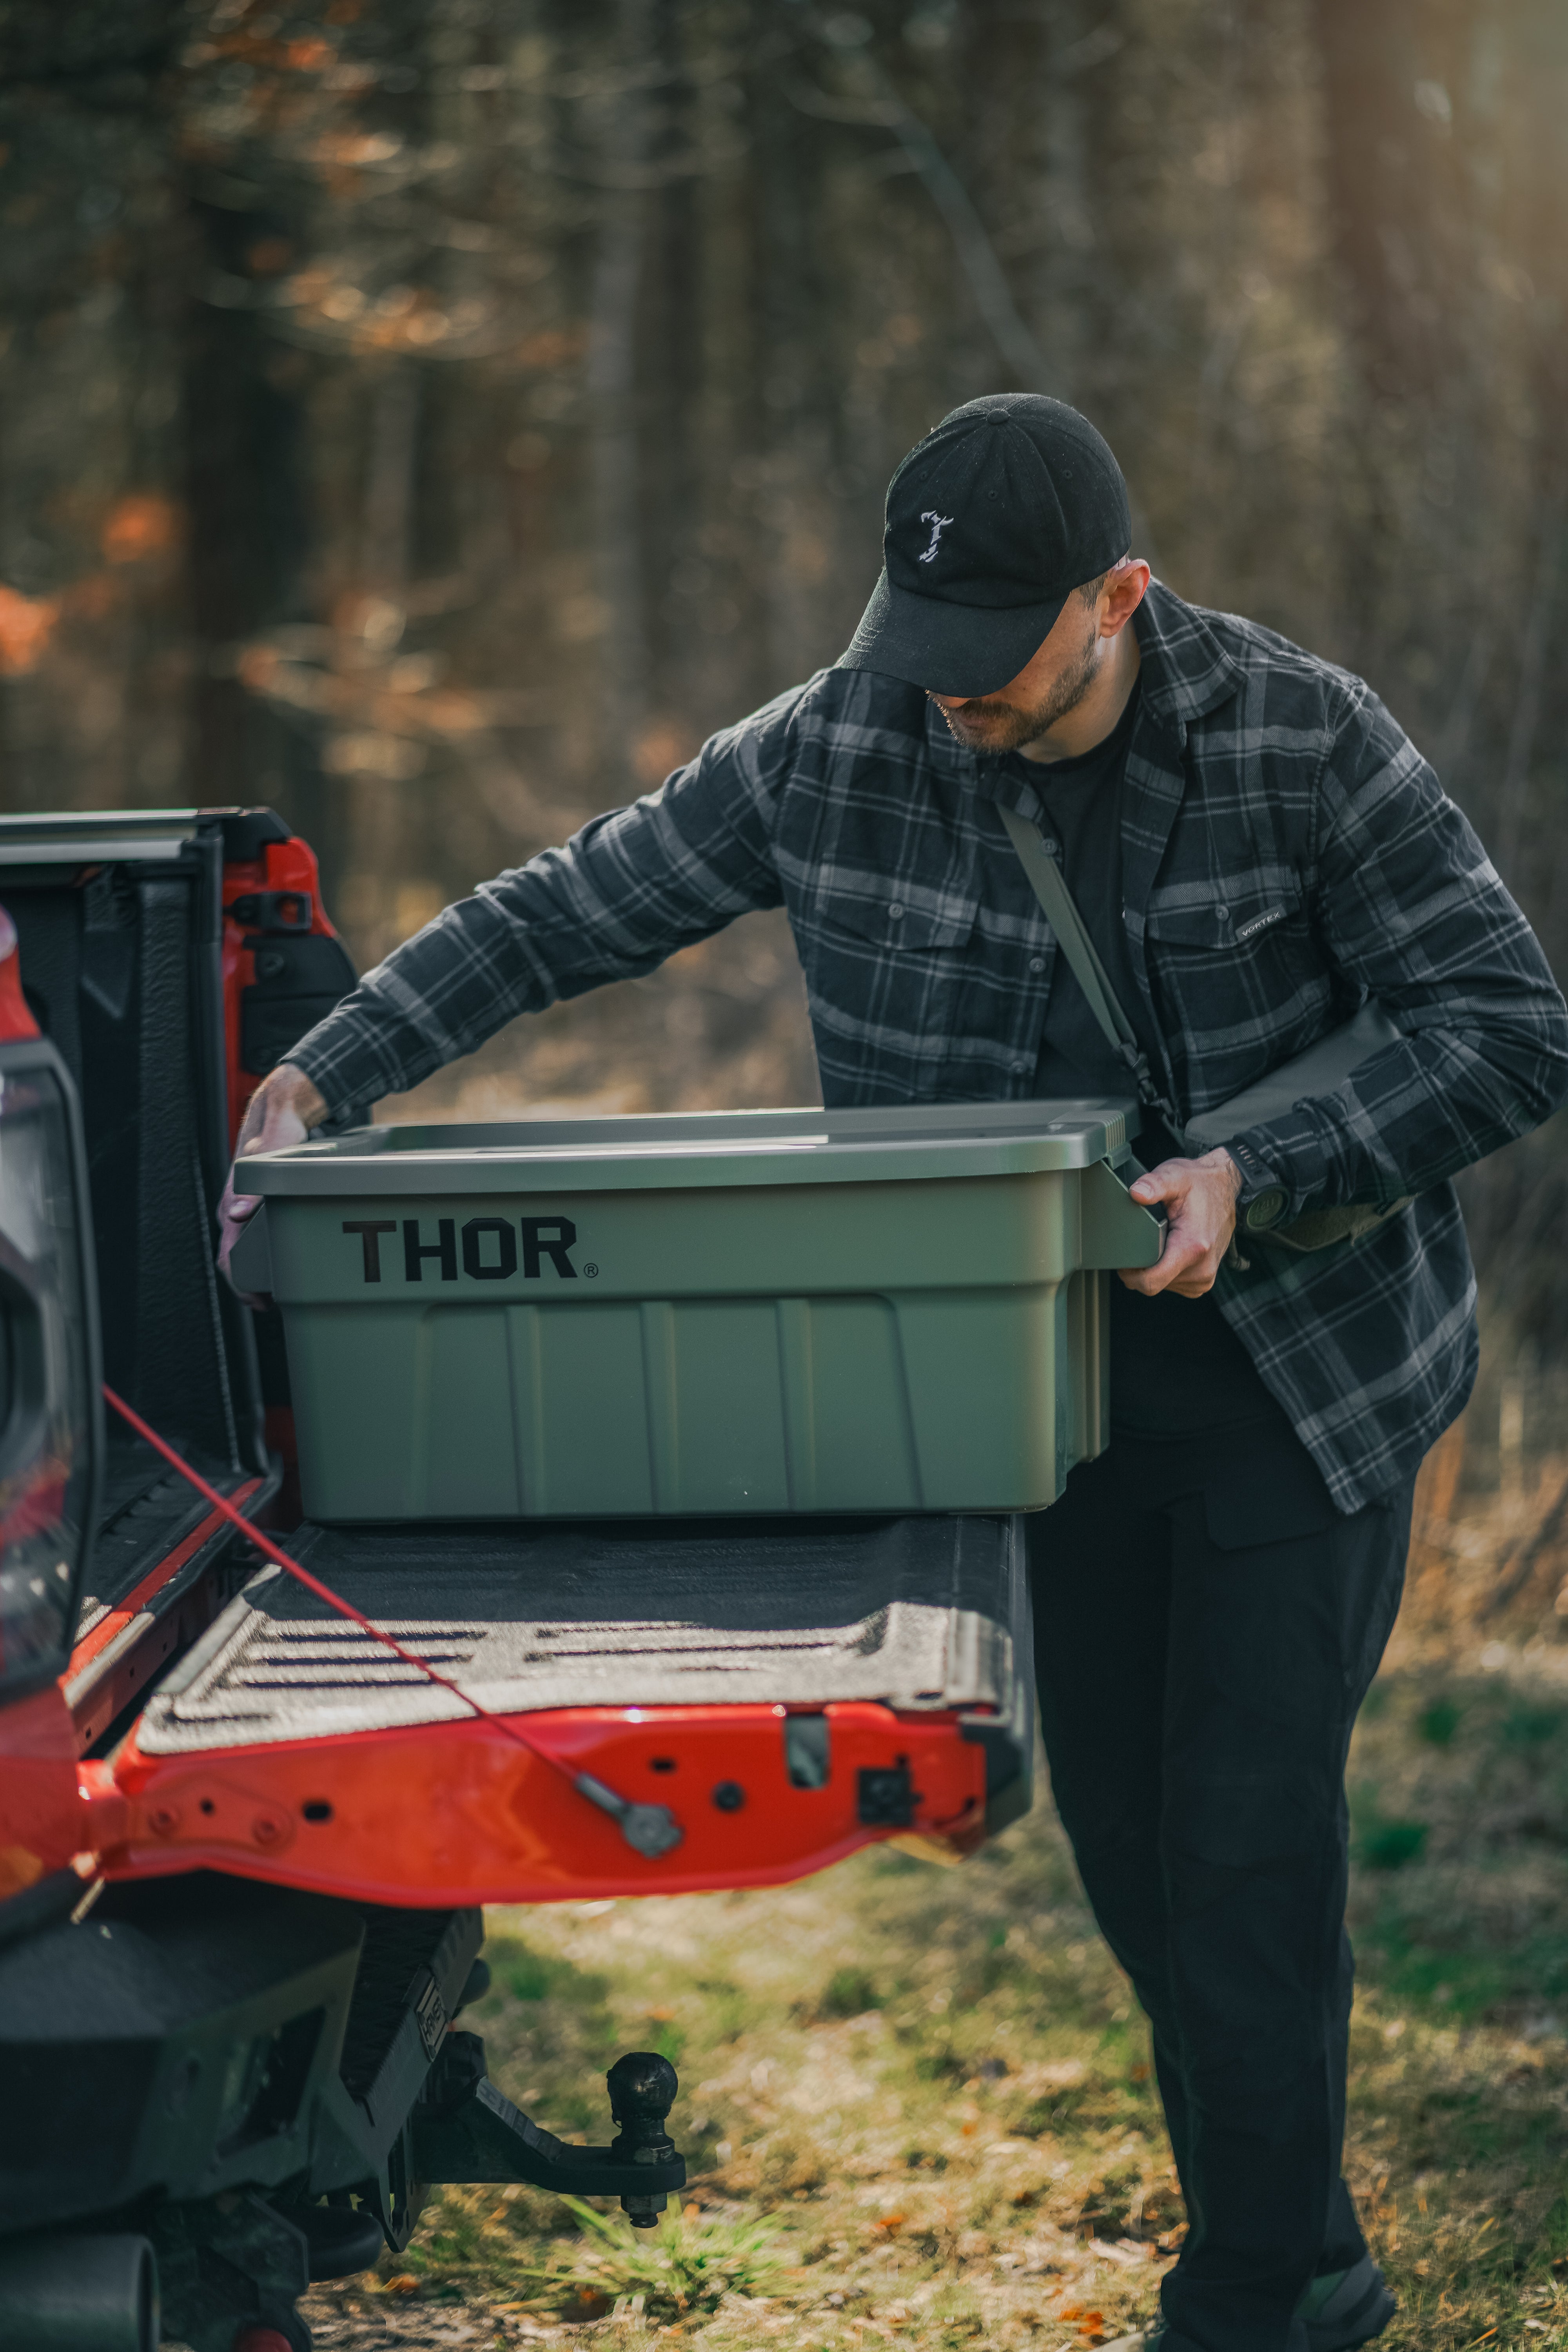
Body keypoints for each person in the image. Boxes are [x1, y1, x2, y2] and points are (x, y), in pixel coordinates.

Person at [221, 394, 1568, 2352]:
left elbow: (1504, 1020)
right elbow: (571, 904)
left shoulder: (1301, 735)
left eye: (999, 666)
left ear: (1119, 598)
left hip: (1300, 1377)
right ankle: (1283, 2228)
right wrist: (339, 1056)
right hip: (1024, 1401)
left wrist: (1257, 1168)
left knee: (1243, 1840)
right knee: (1130, 1848)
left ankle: (1270, 2286)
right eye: (923, 659)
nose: (954, 707)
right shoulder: (845, 737)